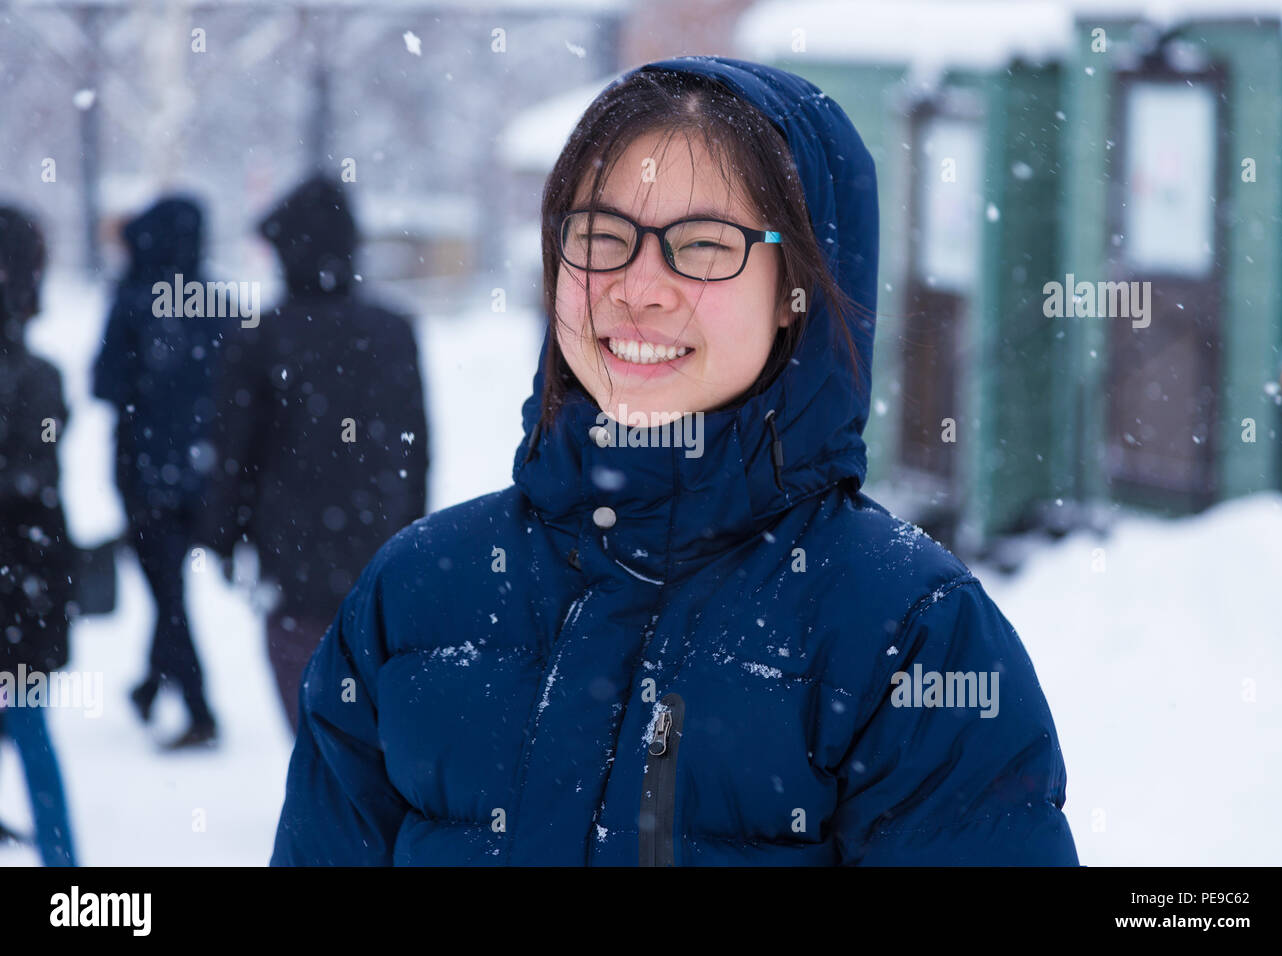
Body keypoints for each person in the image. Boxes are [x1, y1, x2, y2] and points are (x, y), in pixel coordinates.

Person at [271, 56, 1079, 866]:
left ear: (797, 287)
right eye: (601, 236)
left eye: (701, 245)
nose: (637, 286)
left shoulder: (909, 634)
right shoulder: (415, 594)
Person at [199, 175, 429, 734]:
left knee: (308, 711)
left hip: (292, 551)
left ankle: (327, 807)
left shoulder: (261, 336)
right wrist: (417, 533)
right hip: (380, 548)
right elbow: (418, 448)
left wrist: (222, 534)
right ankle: (361, 811)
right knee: (370, 709)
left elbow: (235, 451)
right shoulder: (392, 330)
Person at [92, 196, 221, 750]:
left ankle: (199, 709)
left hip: (144, 473)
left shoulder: (134, 298)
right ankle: (151, 684)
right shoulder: (217, 299)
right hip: (206, 471)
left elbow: (105, 383)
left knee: (166, 590)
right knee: (168, 583)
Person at [0, 205, 79, 866]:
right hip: (22, 588)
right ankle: (65, 871)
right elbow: (37, 488)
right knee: (30, 728)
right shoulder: (39, 377)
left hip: (21, 583)